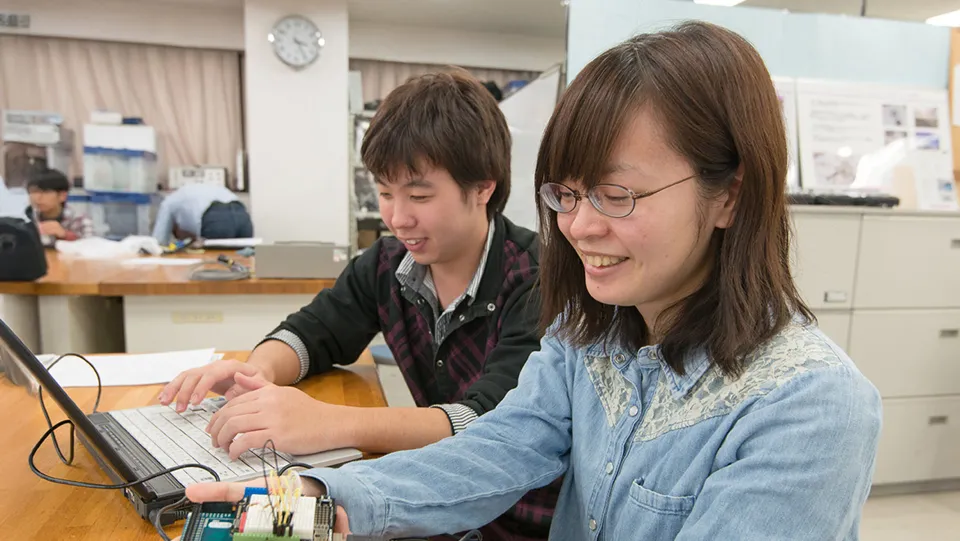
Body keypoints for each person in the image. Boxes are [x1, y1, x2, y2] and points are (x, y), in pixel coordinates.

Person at [183, 22, 883, 540]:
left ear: (729, 194)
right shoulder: (590, 334)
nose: (578, 228)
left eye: (616, 194)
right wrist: (307, 500)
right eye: (567, 195)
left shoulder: (811, 407)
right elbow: (498, 448)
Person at [161, 69, 558, 540]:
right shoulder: (387, 264)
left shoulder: (537, 279)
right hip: (428, 495)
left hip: (517, 516)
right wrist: (257, 372)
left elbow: (486, 426)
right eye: (385, 193)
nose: (397, 216)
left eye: (419, 195)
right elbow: (314, 330)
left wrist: (327, 423)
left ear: (483, 189)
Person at [151, 183, 252, 244]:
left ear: (175, 226)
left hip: (216, 216)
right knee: (244, 261)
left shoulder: (168, 202)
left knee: (215, 267)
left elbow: (158, 242)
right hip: (241, 213)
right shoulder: (190, 195)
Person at [25, 168, 93, 243]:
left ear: (62, 196)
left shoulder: (79, 219)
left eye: (46, 192)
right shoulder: (28, 217)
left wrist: (65, 235)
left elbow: (92, 247)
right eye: (33, 192)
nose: (38, 198)